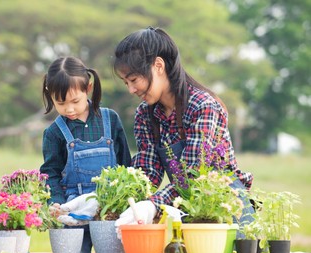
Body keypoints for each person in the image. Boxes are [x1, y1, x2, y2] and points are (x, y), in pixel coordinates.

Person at [55, 27, 255, 236]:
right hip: (192, 214)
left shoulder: (202, 106)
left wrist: (152, 205)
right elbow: (147, 173)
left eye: (134, 80)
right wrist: (100, 198)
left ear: (158, 65)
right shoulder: (145, 114)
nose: (131, 90)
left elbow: (192, 177)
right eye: (126, 83)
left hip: (226, 209)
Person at [40, 56, 131, 253]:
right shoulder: (54, 132)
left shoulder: (110, 119)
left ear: (88, 88)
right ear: (50, 95)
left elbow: (126, 165)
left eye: (75, 101)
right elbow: (50, 173)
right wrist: (55, 201)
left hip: (110, 210)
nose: (69, 109)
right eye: (61, 103)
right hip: (73, 211)